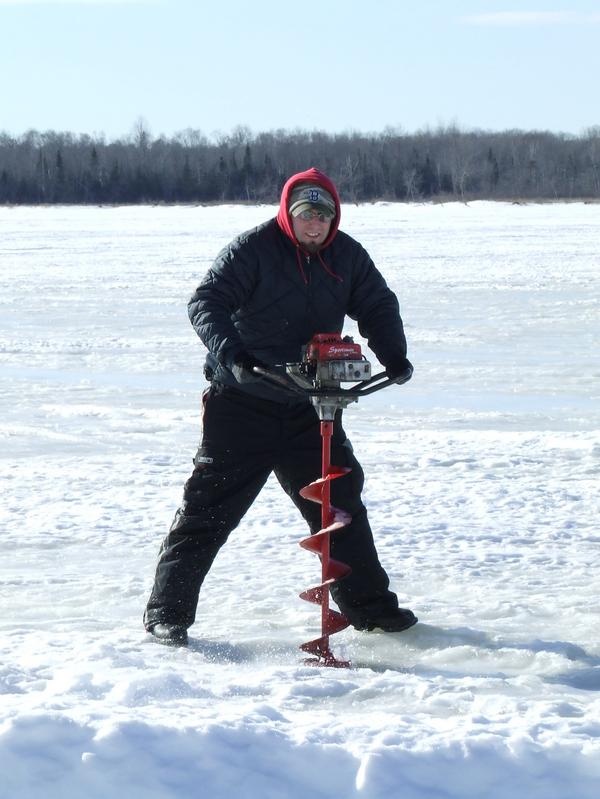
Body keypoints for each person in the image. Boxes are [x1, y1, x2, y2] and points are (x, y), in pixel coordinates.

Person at [144, 167, 417, 646]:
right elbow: (206, 302)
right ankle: (167, 614)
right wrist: (236, 356)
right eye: (306, 215)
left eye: (323, 216)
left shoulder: (347, 255)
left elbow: (376, 303)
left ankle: (372, 611)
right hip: (242, 405)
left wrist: (393, 354)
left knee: (341, 508)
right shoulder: (253, 249)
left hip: (311, 408)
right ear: (289, 215)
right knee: (207, 512)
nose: (315, 225)